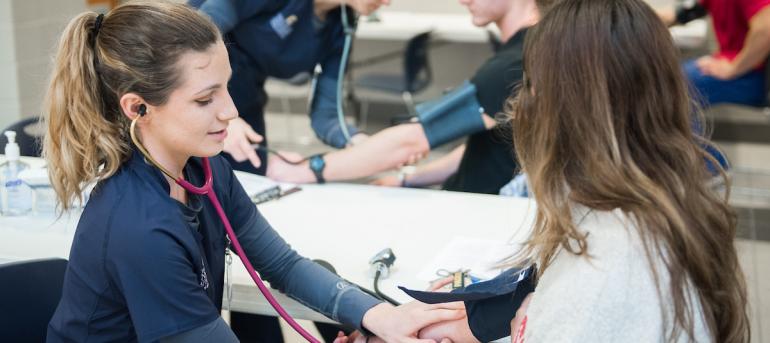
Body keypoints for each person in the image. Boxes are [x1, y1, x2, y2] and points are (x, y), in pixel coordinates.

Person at [42, 3, 465, 342]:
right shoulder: (139, 229)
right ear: (138, 108)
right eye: (205, 99)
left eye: (228, 86)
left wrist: (380, 316)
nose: (231, 111)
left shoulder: (207, 169)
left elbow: (283, 265)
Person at [505, 0, 749, 341]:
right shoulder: (664, 208)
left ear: (560, 108)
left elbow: (591, 310)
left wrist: (523, 333)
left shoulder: (600, 275)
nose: (520, 105)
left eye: (530, 84)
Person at [268, 0, 536, 195]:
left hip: (477, 213)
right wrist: (410, 179)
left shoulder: (514, 64)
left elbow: (410, 141)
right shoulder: (535, 48)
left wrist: (306, 170)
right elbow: (494, 146)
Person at [189, 0, 390, 175]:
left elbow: (328, 115)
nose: (387, 2)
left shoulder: (340, 30)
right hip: (192, 96)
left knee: (250, 180)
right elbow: (193, 42)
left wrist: (359, 142)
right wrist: (217, 113)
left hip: (246, 104)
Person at [659, 0, 770, 107]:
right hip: (736, 64)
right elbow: (686, 11)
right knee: (669, 78)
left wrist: (733, 68)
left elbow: (765, 31)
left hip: (756, 73)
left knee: (676, 84)